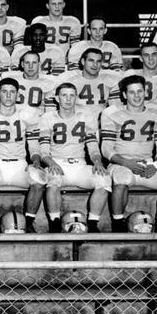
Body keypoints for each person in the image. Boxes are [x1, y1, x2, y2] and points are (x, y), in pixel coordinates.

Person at [102, 74, 157, 233]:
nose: (137, 96)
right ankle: (118, 223)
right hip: (121, 163)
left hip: (147, 164)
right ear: (124, 95)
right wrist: (126, 163)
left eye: (140, 91)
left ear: (145, 92)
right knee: (121, 178)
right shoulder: (111, 113)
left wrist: (156, 164)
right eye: (132, 92)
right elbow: (106, 148)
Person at [39, 82, 109, 233]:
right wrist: (50, 162)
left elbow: (92, 146)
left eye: (72, 95)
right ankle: (54, 222)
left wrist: (97, 161)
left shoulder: (86, 117)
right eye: (64, 95)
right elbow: (43, 150)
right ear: (57, 98)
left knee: (104, 179)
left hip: (80, 165)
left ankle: (93, 222)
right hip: (57, 163)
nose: (68, 99)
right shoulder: (47, 118)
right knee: (52, 179)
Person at [0, 78, 46, 233]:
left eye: (12, 92)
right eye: (4, 92)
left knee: (40, 178)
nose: (8, 95)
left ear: (17, 94)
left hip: (19, 164)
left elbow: (34, 143)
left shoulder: (27, 114)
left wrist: (35, 159)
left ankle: (29, 221)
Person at [109, 43, 157, 116]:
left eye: (154, 54)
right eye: (146, 55)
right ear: (141, 58)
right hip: (136, 118)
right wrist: (120, 116)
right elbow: (114, 98)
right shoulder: (131, 74)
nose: (150, 58)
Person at [59, 48, 120, 117]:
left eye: (98, 61)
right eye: (91, 61)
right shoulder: (69, 79)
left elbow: (115, 108)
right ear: (83, 61)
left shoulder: (109, 79)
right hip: (78, 121)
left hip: (101, 121)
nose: (95, 65)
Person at [7, 51, 58, 115]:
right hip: (16, 118)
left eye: (34, 63)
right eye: (27, 62)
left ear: (39, 64)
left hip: (37, 120)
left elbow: (50, 112)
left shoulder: (49, 83)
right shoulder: (11, 80)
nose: (30, 66)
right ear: (22, 64)